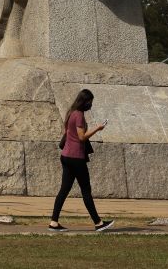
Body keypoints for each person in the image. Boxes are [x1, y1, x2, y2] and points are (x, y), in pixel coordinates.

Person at [49, 89, 114, 232]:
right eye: (90, 102)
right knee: (86, 190)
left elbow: (68, 133)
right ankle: (98, 223)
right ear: (84, 101)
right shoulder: (78, 115)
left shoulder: (71, 113)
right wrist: (98, 128)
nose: (91, 104)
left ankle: (54, 222)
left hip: (66, 156)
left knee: (64, 190)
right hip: (76, 158)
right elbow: (82, 137)